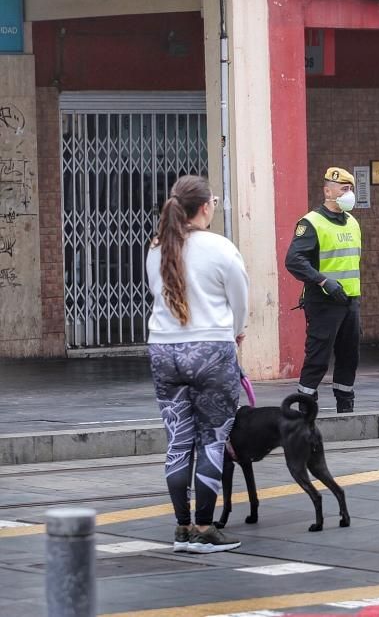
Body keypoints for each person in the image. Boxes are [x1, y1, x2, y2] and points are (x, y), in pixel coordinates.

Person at [146, 175, 249, 553]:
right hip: (211, 351)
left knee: (178, 440)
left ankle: (181, 528)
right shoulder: (221, 248)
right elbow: (239, 300)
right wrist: (237, 334)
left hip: (163, 352)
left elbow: (160, 294)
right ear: (205, 207)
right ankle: (205, 528)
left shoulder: (156, 247)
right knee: (212, 439)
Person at [285, 166, 362, 413]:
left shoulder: (352, 222)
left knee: (349, 356)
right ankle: (305, 408)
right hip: (323, 301)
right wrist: (323, 281)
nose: (348, 193)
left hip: (350, 301)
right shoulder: (311, 223)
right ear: (328, 191)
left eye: (350, 189)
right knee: (318, 358)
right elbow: (294, 260)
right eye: (343, 189)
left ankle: (346, 407)